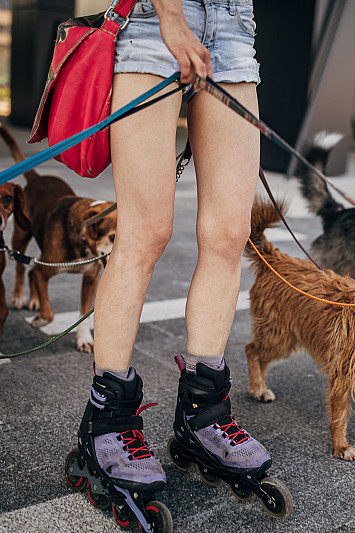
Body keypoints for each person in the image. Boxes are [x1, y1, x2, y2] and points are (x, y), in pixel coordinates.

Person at [70, 0, 276, 524]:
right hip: (151, 21)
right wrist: (170, 15)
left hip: (234, 27)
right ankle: (107, 420)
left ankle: (202, 412)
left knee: (230, 234)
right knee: (145, 231)